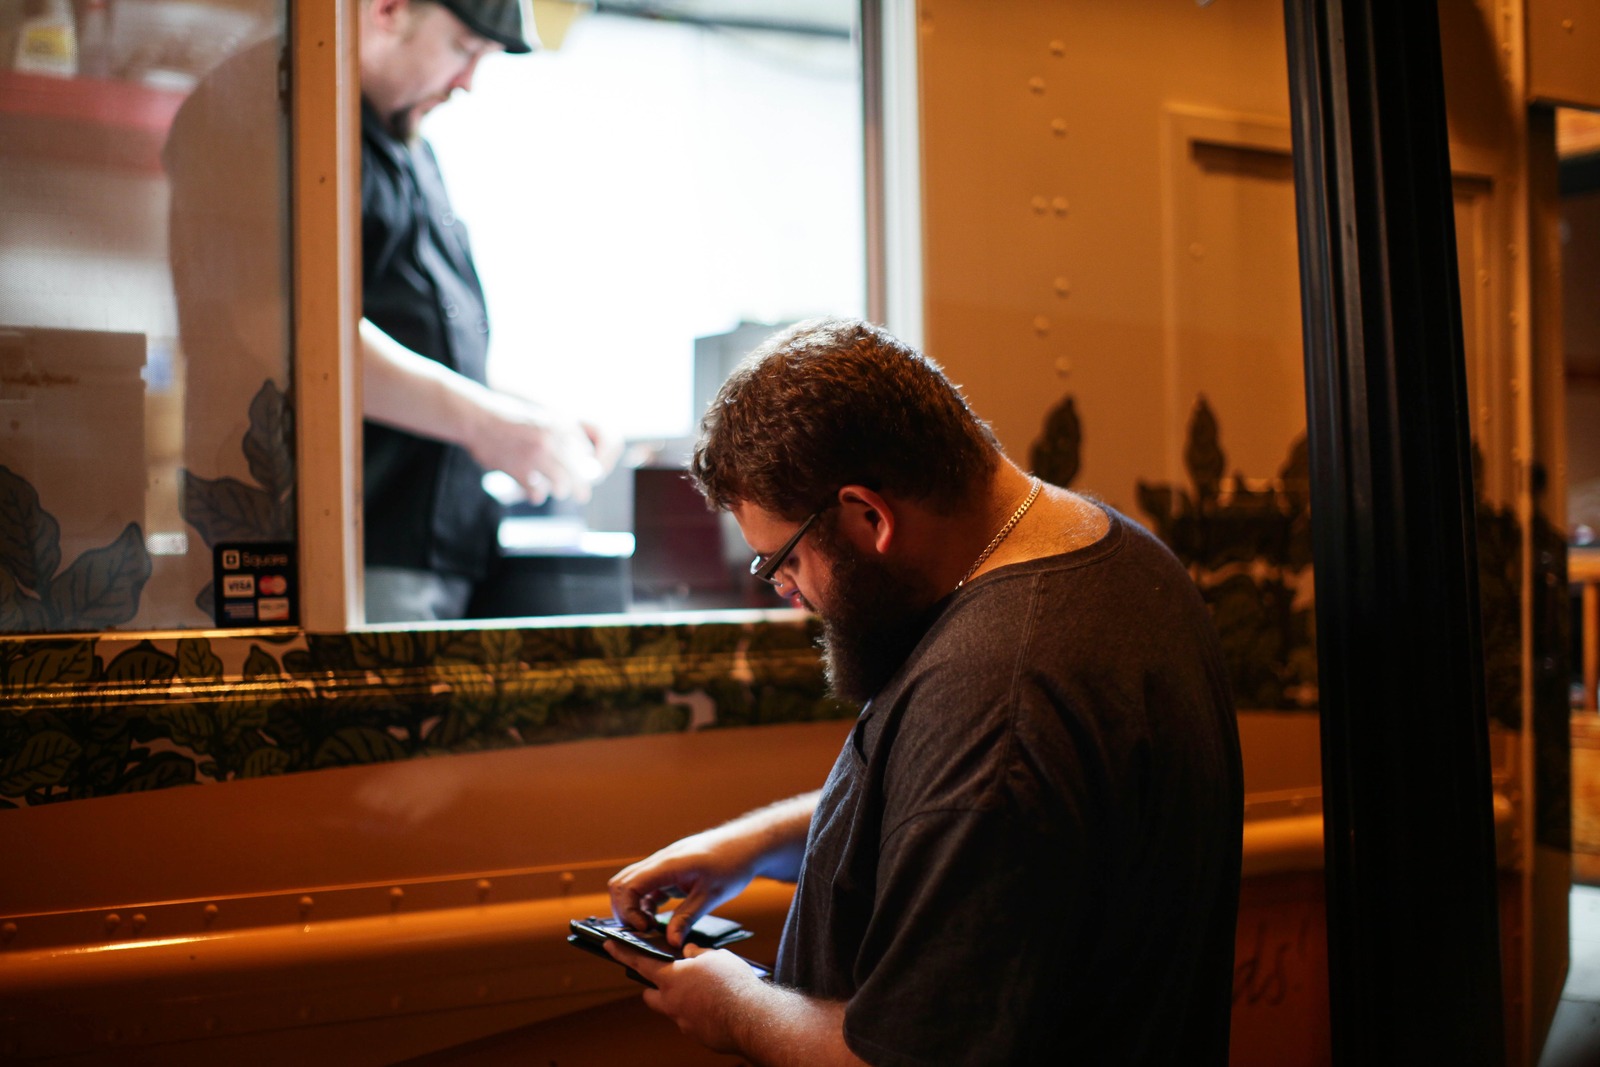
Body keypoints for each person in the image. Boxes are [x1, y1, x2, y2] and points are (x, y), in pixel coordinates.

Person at [604, 318, 1244, 1065]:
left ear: (869, 515)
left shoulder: (997, 697)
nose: (788, 594)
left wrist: (738, 1007)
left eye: (783, 561)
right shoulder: (1116, 551)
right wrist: (755, 847)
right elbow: (966, 812)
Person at [166, 0, 615, 624]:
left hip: (423, 551)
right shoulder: (262, 106)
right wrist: (487, 424)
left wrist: (529, 418)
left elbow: (420, 341)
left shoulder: (401, 136)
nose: (468, 83)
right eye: (463, 48)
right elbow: (277, 324)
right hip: (335, 550)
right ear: (388, 10)